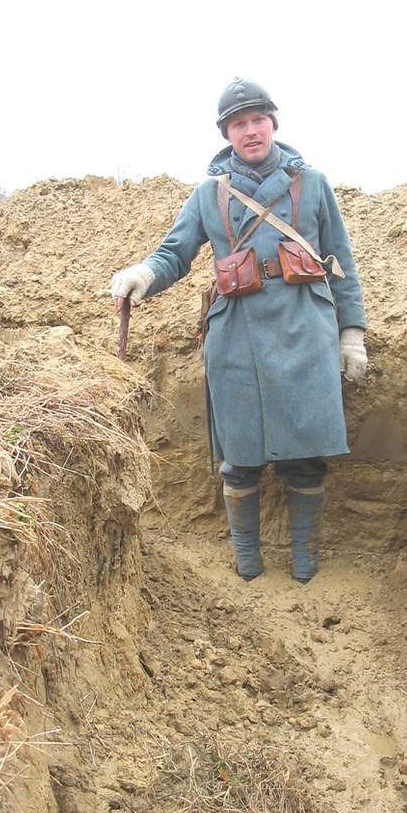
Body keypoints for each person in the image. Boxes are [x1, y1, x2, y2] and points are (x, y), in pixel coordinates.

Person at [112, 77, 367, 584]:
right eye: (238, 124)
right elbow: (175, 253)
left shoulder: (311, 184)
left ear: (273, 123)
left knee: (307, 456)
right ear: (226, 133)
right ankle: (248, 561)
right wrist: (145, 273)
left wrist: (351, 332)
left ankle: (304, 561)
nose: (250, 131)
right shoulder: (209, 193)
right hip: (236, 336)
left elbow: (343, 261)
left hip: (305, 329)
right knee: (240, 459)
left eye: (257, 120)